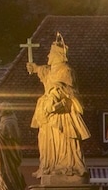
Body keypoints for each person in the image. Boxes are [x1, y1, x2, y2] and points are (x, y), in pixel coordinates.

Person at [27, 38, 87, 180]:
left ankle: (67, 166)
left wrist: (58, 91)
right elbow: (42, 71)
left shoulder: (66, 70)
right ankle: (50, 166)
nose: (48, 56)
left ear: (56, 56)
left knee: (64, 142)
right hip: (49, 114)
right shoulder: (50, 70)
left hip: (62, 114)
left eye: (50, 54)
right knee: (47, 142)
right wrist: (34, 68)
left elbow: (70, 91)